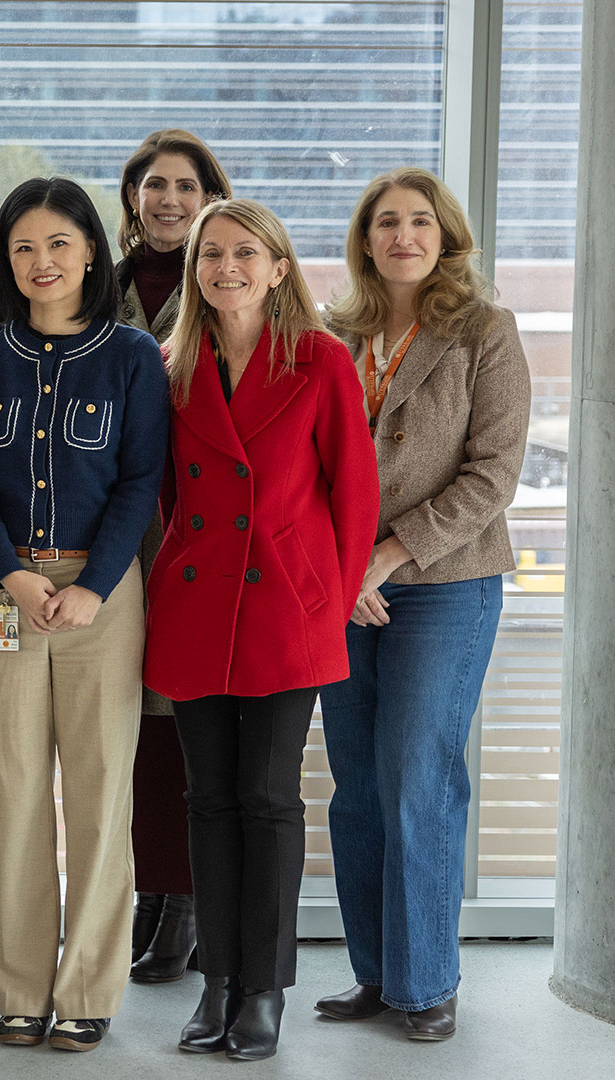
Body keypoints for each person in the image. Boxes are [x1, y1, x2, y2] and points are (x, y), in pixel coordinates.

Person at [144, 198, 379, 1061]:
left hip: (288, 605)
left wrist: (331, 594)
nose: (227, 268)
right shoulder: (171, 366)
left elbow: (355, 496)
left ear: (279, 268)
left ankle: (265, 989)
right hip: (198, 604)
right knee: (208, 798)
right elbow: (169, 495)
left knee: (271, 798)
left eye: (247, 254)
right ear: (195, 269)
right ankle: (216, 982)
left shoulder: (320, 361)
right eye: (212, 254)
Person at [0, 177, 169, 1053]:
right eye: (25, 247)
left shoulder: (132, 358)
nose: (42, 263)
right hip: (1, 594)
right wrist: (10, 573)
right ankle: (21, 991)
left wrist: (91, 584)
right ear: (8, 259)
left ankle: (88, 992)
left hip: (100, 597)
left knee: (104, 793)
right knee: (14, 792)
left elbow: (140, 480)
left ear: (89, 254)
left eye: (60, 246)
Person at [314, 167, 530, 1042]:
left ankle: (428, 982)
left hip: (444, 584)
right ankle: (378, 975)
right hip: (344, 590)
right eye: (386, 223)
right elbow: (309, 467)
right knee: (356, 788)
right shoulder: (333, 336)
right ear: (366, 240)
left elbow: (494, 474)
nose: (404, 236)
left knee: (417, 781)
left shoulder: (487, 331)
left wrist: (387, 558)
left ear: (446, 237)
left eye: (420, 223)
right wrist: (346, 569)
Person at [114, 128, 233, 983]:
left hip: (199, 534)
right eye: (155, 185)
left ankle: (185, 901)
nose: (169, 200)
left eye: (186, 187)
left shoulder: (229, 290)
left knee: (187, 722)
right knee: (135, 728)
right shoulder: (101, 285)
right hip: (118, 534)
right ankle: (148, 891)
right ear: (131, 198)